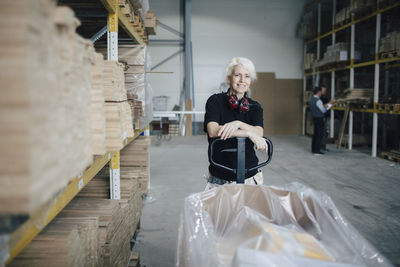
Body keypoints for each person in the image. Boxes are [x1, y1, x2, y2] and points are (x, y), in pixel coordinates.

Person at [203, 57, 268, 189]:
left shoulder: (255, 107)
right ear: (229, 78)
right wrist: (247, 133)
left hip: (249, 175)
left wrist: (238, 123)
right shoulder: (215, 101)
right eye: (237, 75)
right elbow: (213, 130)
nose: (242, 80)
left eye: (247, 76)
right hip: (219, 175)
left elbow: (259, 132)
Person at [309, 86, 334, 155]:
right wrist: (330, 105)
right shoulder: (318, 101)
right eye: (321, 92)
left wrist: (327, 104)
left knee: (315, 134)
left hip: (314, 118)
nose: (322, 93)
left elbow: (320, 107)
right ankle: (317, 151)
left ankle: (313, 149)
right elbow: (323, 110)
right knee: (319, 135)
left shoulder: (311, 100)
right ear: (319, 92)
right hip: (319, 119)